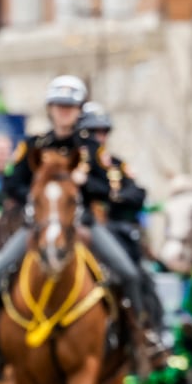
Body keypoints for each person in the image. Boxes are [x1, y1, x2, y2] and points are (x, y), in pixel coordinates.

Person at [0, 76, 166, 374]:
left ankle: (141, 337)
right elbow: (10, 184)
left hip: (82, 225)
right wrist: (35, 196)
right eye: (59, 106)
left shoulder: (92, 149)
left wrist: (86, 184)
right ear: (50, 109)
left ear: (78, 110)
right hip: (38, 225)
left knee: (129, 272)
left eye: (70, 107)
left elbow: (109, 188)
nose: (64, 112)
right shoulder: (34, 145)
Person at [78, 103, 150, 268]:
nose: (100, 137)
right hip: (83, 226)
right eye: (94, 132)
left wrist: (114, 196)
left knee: (134, 270)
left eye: (104, 132)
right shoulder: (75, 164)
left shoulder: (116, 165)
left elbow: (138, 194)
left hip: (114, 228)